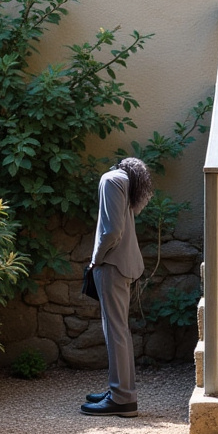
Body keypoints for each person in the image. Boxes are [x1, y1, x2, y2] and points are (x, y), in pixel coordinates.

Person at [80, 157, 153, 417]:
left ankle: (122, 398)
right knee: (119, 330)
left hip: (111, 264)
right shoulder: (126, 184)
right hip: (126, 264)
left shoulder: (111, 179)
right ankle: (122, 392)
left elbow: (111, 231)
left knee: (115, 331)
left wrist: (95, 260)